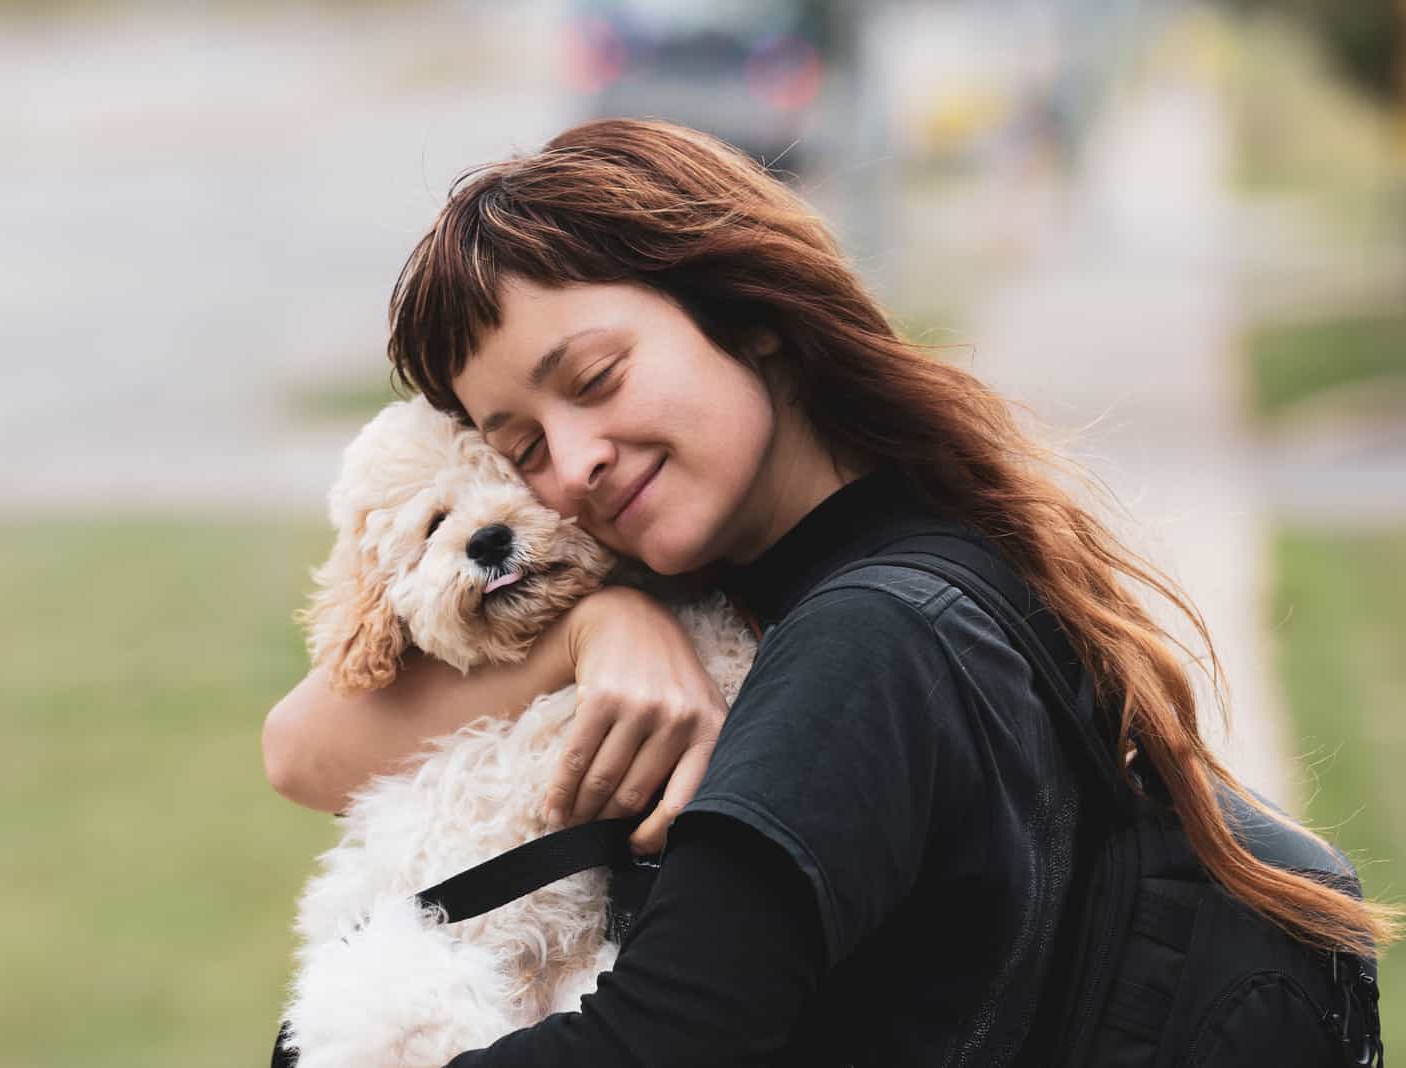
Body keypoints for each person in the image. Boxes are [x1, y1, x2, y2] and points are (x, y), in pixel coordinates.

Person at [262, 119, 1393, 1065]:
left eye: (596, 379)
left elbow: (657, 1045)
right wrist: (599, 630)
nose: (576, 461)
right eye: (521, 447)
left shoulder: (862, 646)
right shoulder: (934, 560)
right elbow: (302, 751)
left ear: (750, 318)